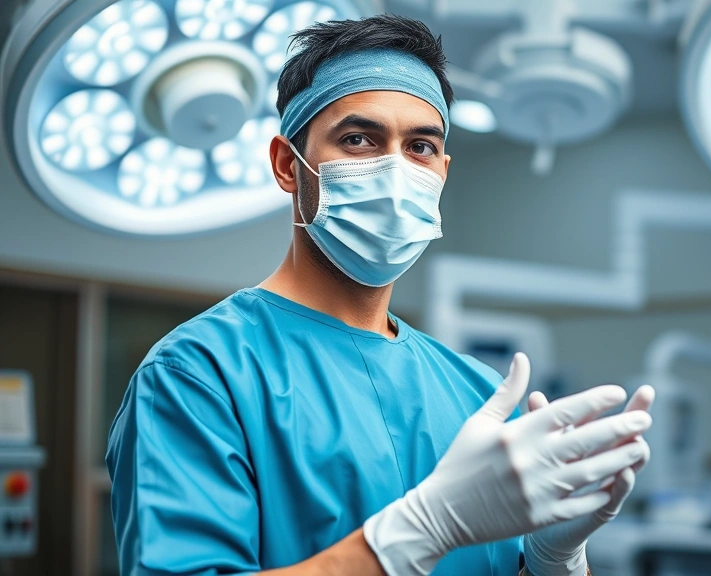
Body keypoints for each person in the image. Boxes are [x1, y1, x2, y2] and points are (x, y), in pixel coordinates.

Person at [106, 14, 655, 576]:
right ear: (286, 166)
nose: (394, 169)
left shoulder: (479, 393)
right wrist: (418, 532)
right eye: (358, 139)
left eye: (419, 146)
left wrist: (554, 560)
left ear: (442, 171)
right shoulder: (200, 375)